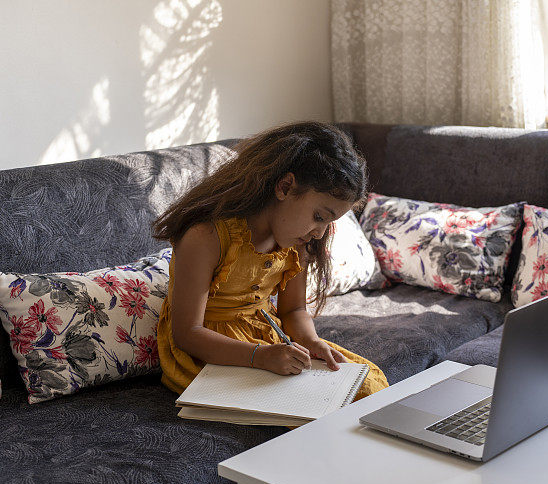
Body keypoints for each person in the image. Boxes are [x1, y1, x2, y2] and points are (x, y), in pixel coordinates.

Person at [151, 121, 389, 402]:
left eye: (329, 222)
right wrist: (259, 356)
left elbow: (293, 311)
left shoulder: (295, 240)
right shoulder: (206, 236)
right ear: (285, 187)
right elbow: (187, 333)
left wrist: (310, 341)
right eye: (319, 217)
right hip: (210, 353)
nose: (320, 232)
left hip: (267, 343)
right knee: (310, 404)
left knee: (369, 387)